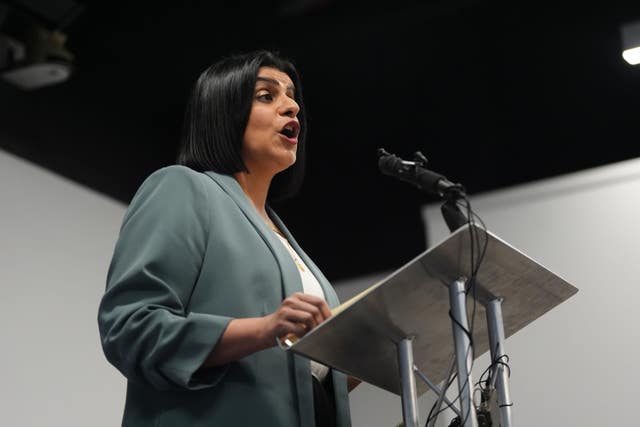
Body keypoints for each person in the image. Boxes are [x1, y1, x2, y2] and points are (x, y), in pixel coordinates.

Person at [97, 50, 353, 426]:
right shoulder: (182, 188)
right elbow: (130, 328)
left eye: (292, 95)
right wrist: (264, 329)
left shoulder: (282, 235)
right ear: (224, 113)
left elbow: (294, 379)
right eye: (267, 96)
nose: (292, 106)